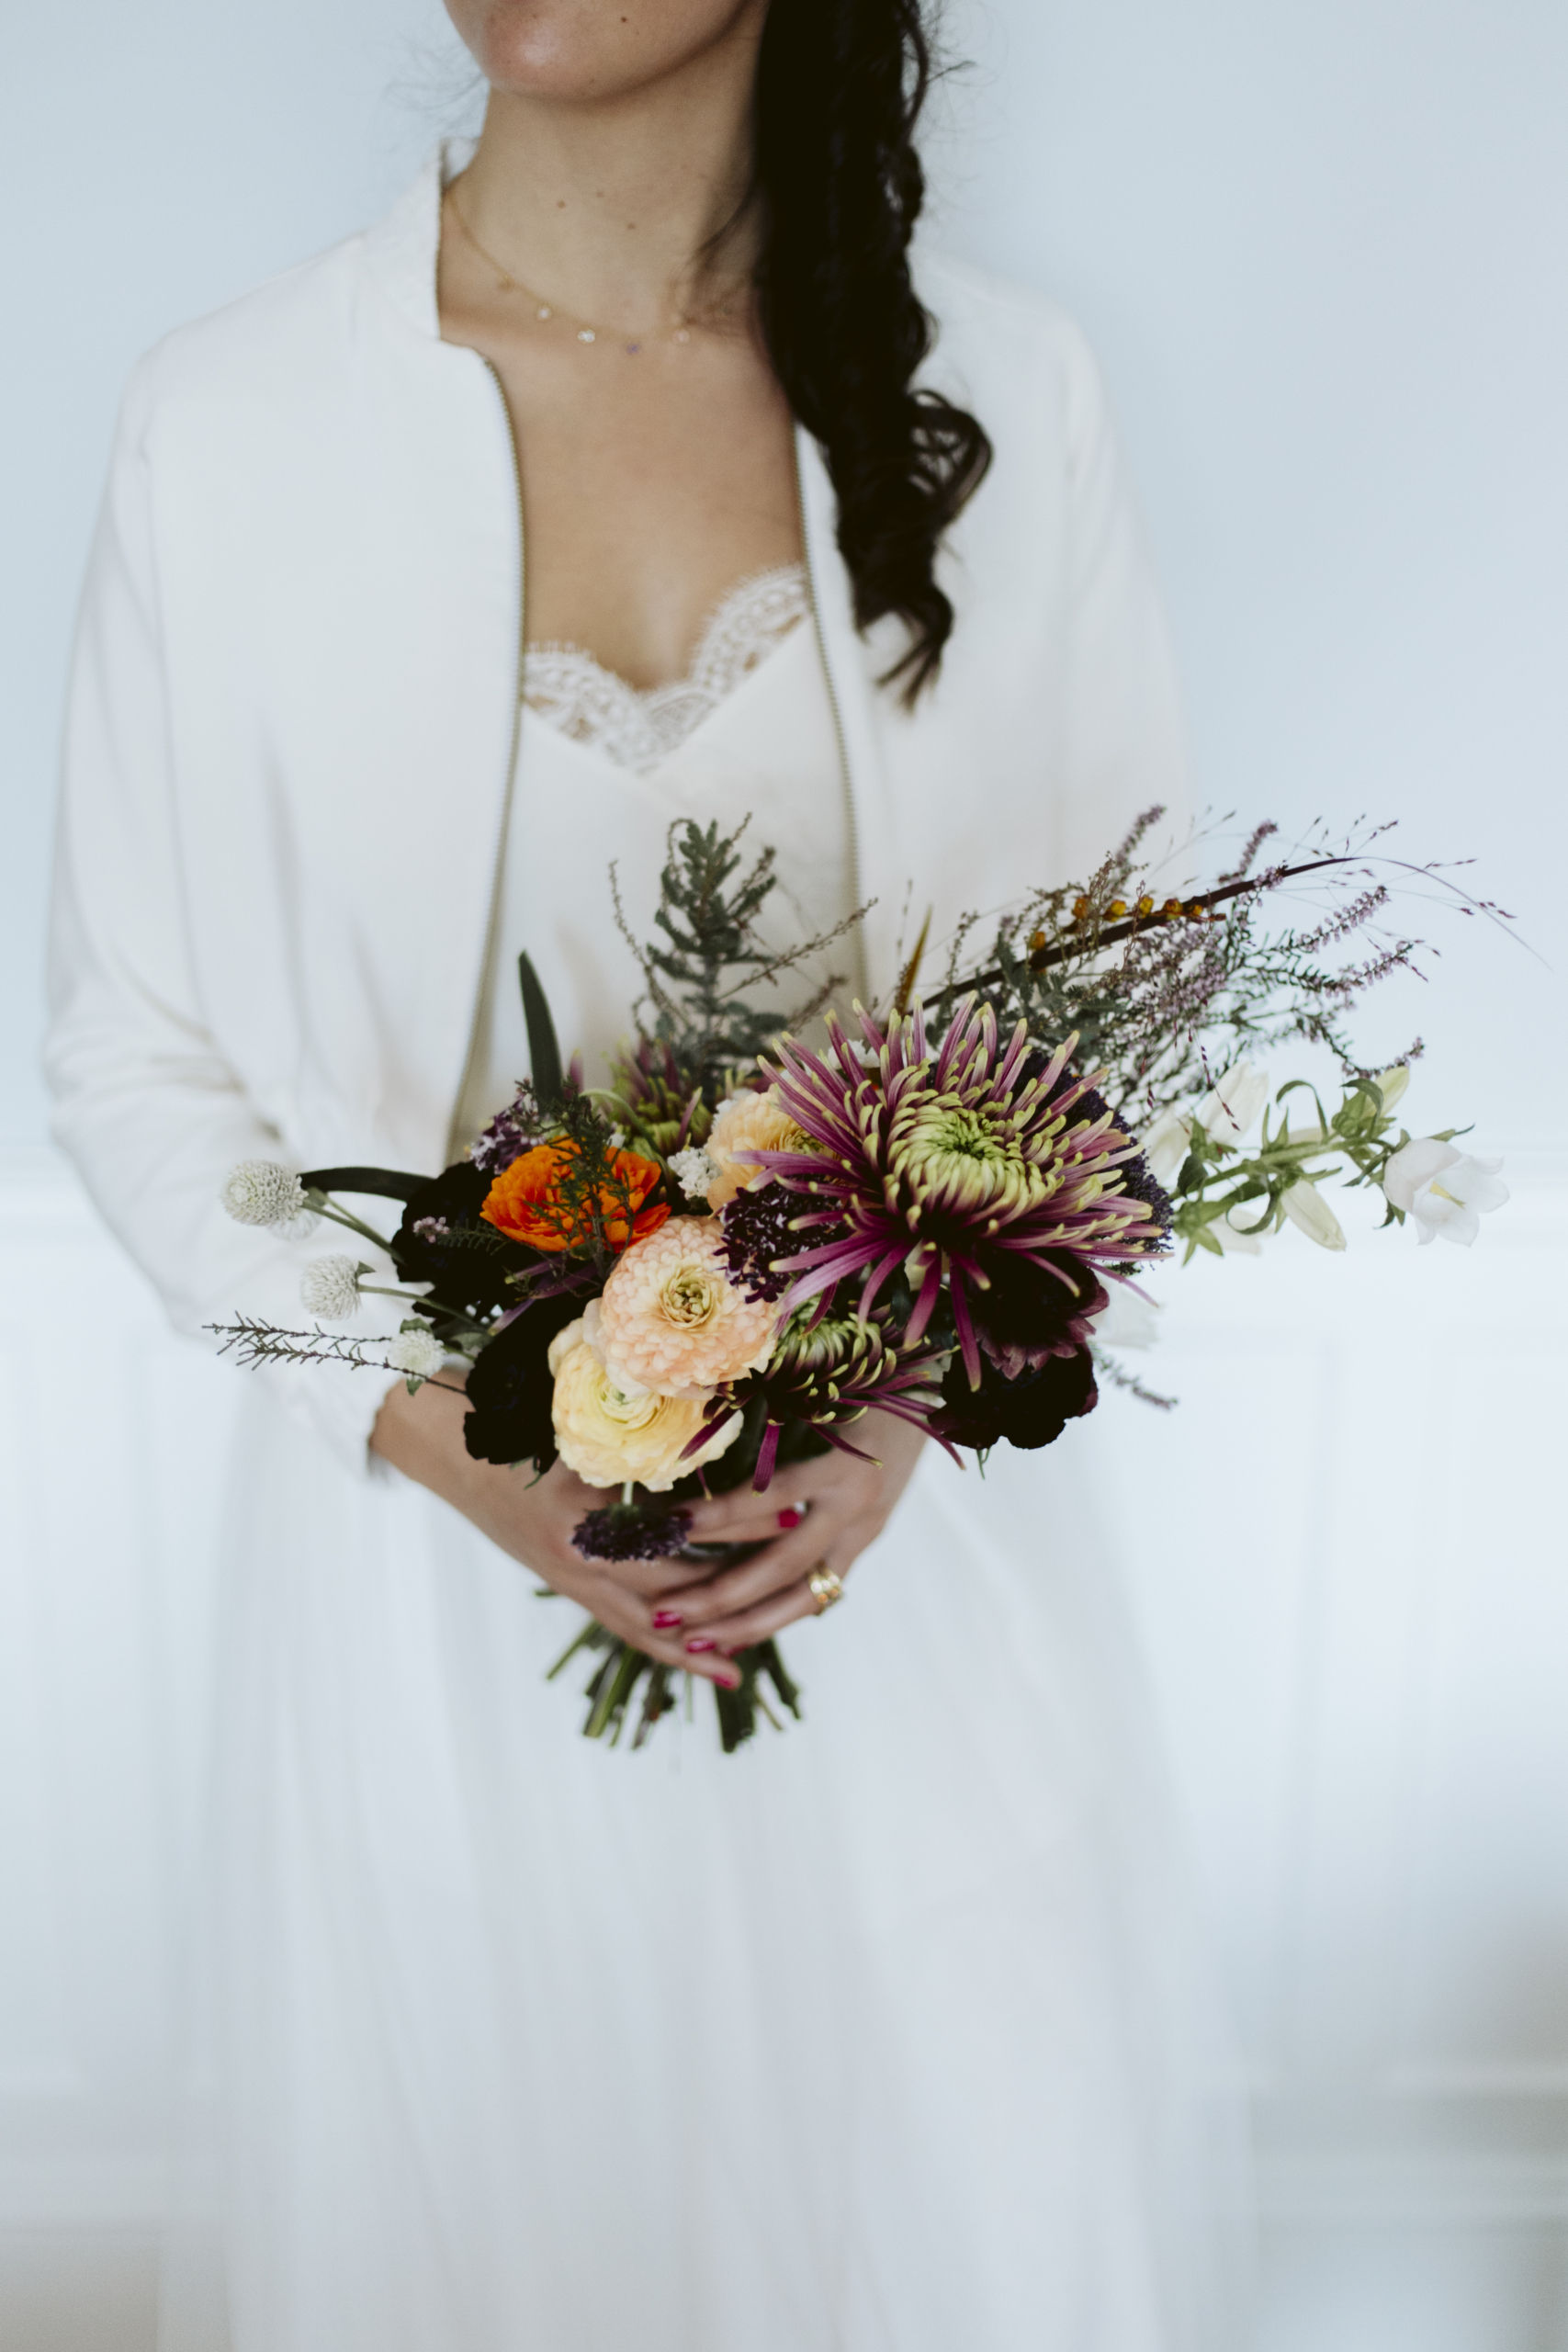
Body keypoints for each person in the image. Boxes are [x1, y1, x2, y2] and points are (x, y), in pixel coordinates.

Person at [47, 2, 1247, 2345]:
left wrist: (897, 1394)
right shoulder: (225, 418)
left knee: (955, 2232)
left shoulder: (1013, 396)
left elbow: (1130, 975)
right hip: (427, 1615)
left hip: (893, 1588)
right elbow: (130, 1049)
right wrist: (433, 1430)